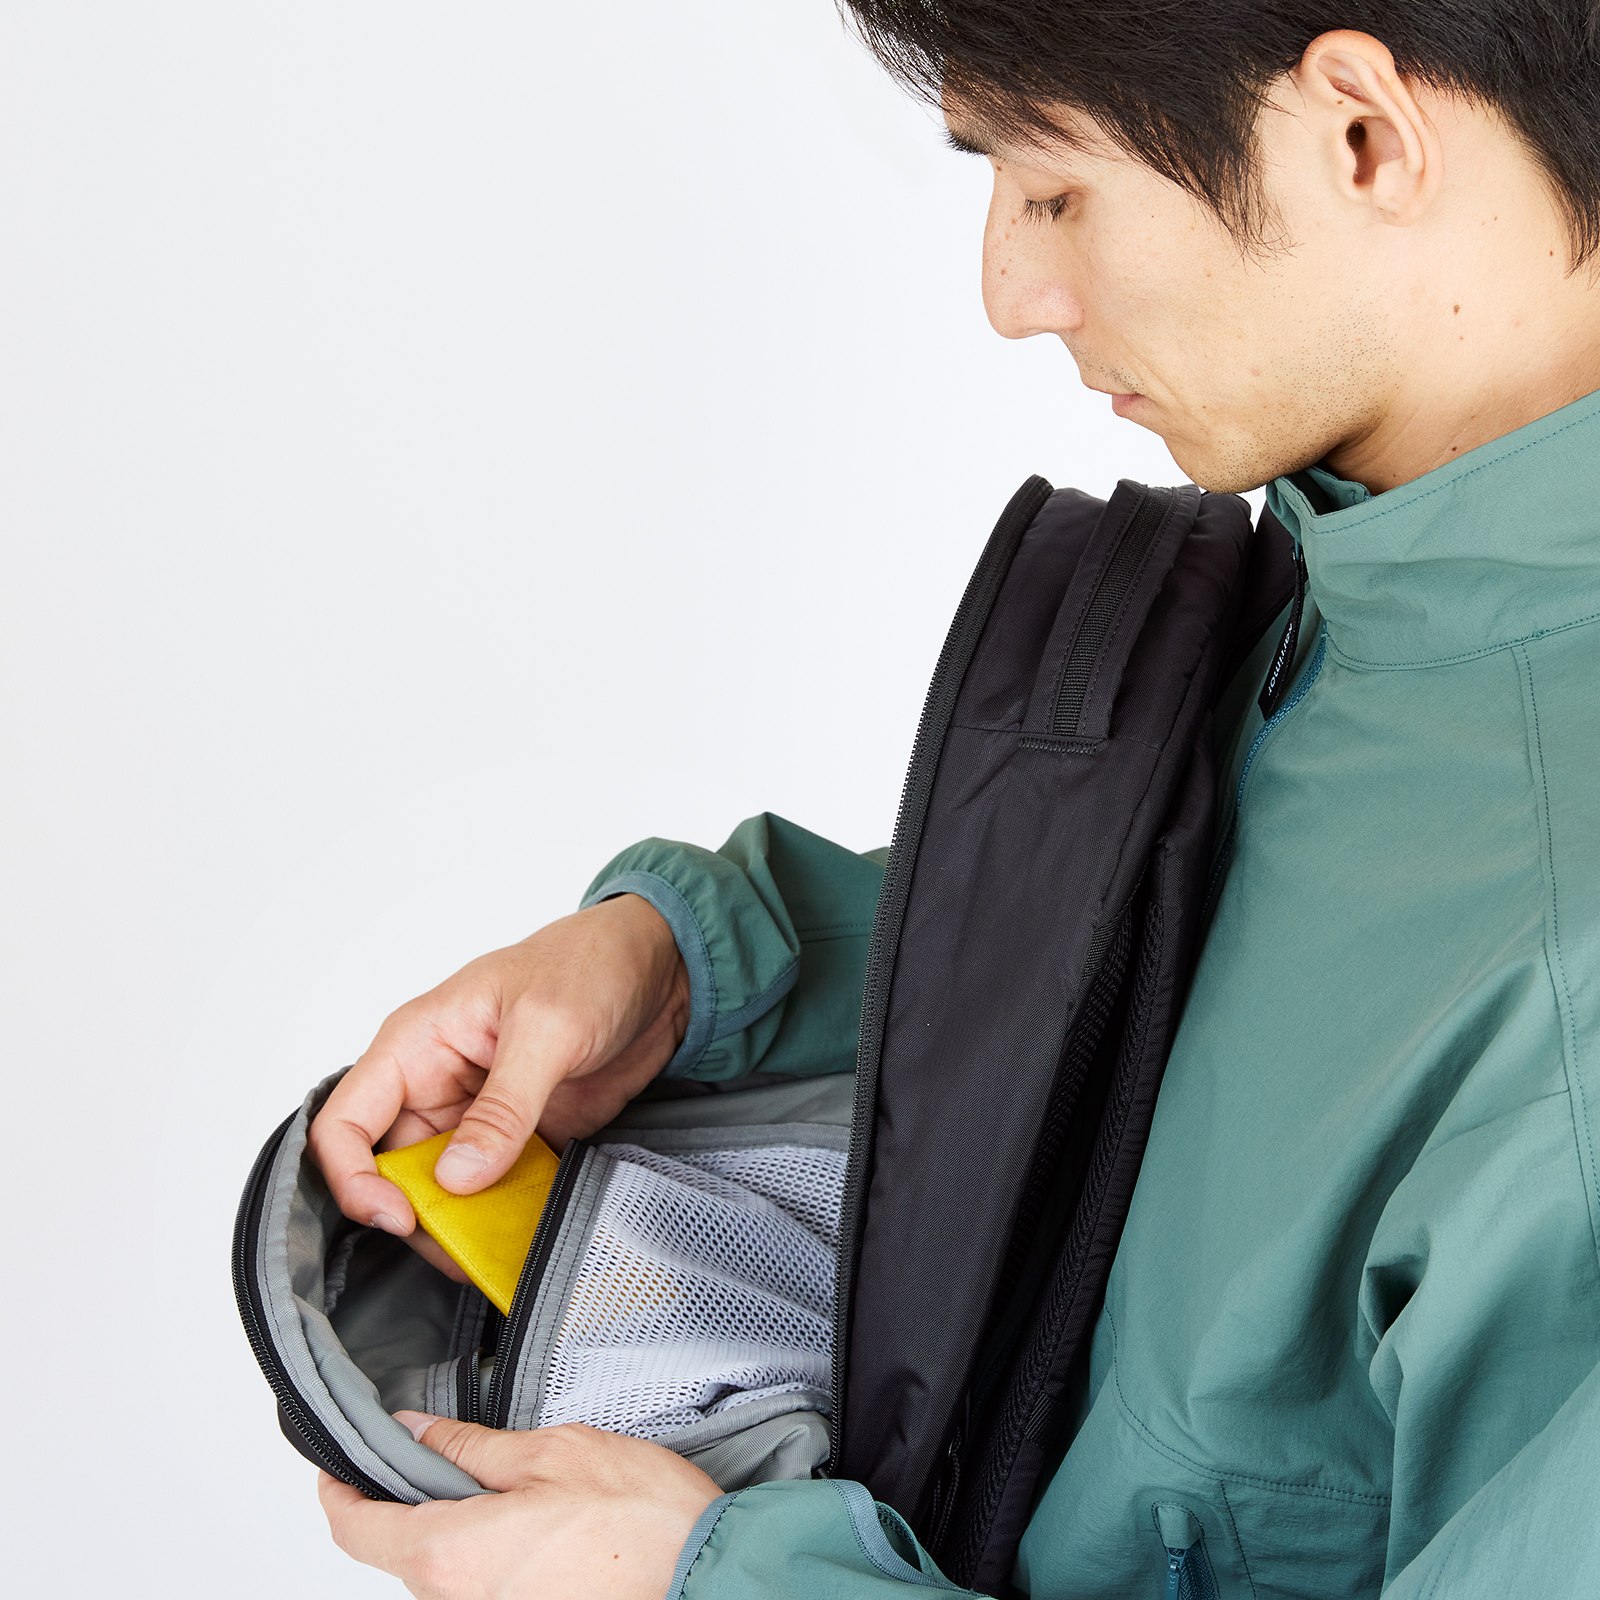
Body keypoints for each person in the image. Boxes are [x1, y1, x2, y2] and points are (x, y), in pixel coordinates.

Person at [309, 3, 1600, 1596]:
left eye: (1055, 189)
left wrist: (706, 1582)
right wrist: (707, 969)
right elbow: (1227, 972)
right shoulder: (1378, 575)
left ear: (1362, 137)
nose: (1010, 293)